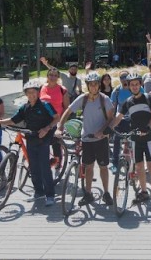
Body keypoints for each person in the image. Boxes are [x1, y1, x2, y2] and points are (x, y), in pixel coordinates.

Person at [0, 80, 58, 206]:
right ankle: (39, 192)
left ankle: (50, 195)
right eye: (29, 92)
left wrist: (47, 128)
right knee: (33, 166)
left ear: (38, 92)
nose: (31, 95)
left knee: (44, 166)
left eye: (34, 92)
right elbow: (13, 120)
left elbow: (56, 117)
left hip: (45, 136)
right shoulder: (25, 107)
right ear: (26, 94)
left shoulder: (45, 104)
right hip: (31, 137)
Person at [59, 71, 114, 206]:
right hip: (87, 137)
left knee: (103, 166)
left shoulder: (104, 99)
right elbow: (68, 111)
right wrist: (60, 127)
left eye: (95, 84)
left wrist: (101, 132)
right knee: (88, 167)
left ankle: (106, 193)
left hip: (101, 139)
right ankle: (88, 194)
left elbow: (111, 117)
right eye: (91, 85)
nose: (93, 87)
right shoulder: (82, 98)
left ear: (99, 85)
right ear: (87, 86)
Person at [111, 73, 151, 209]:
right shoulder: (128, 101)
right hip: (135, 138)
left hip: (149, 137)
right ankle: (144, 192)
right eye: (131, 84)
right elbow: (119, 116)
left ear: (140, 85)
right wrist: (110, 128)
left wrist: (148, 127)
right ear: (129, 86)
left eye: (136, 84)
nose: (134, 87)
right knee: (139, 166)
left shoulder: (148, 97)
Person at [110, 71, 133, 171]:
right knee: (117, 140)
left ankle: (129, 162)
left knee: (130, 141)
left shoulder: (136, 88)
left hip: (132, 119)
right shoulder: (117, 91)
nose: (124, 79)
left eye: (126, 76)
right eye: (122, 77)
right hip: (120, 119)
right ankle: (115, 163)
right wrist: (111, 120)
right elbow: (113, 106)